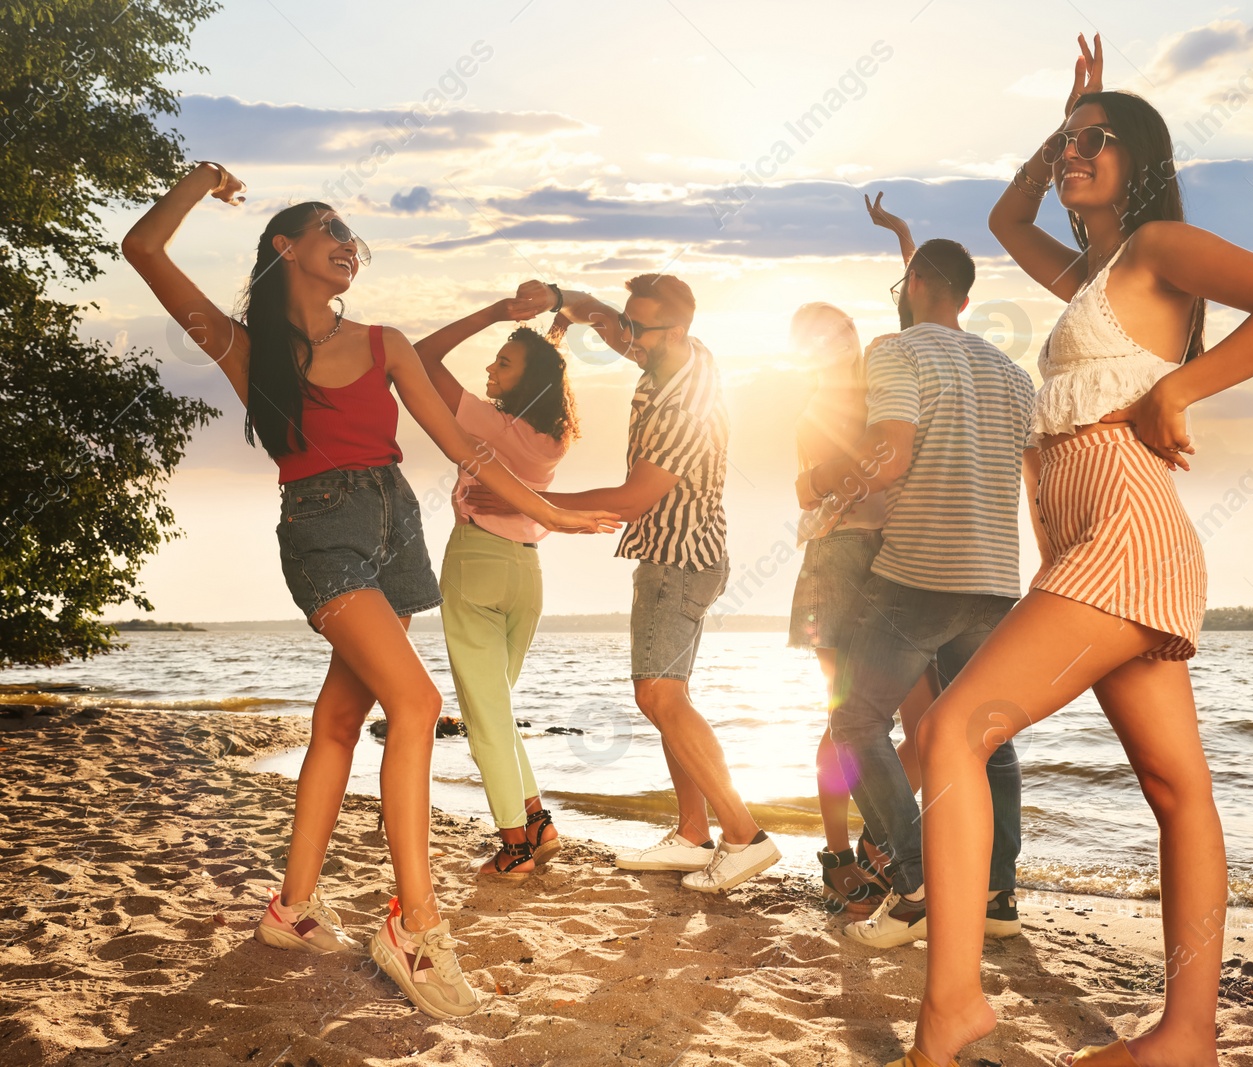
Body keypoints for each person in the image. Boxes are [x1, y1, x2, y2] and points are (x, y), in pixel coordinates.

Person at [896, 36, 1253, 1067]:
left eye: (1097, 144)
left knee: (952, 729)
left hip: (1125, 529)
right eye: (1069, 146)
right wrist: (1065, 116)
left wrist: (1180, 386)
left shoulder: (1156, 248)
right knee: (1177, 791)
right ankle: (1185, 1034)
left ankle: (951, 1005)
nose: (1073, 156)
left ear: (1140, 165)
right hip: (1090, 539)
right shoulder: (1089, 268)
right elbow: (1006, 220)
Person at [120, 163, 618, 1021]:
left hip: (396, 531)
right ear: (285, 247)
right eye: (330, 231)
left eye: (353, 237)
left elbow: (468, 449)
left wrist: (551, 515)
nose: (350, 245)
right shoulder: (247, 348)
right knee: (418, 703)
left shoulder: (386, 342)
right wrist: (201, 182)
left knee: (342, 721)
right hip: (323, 531)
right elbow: (142, 246)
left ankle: (293, 907)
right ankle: (415, 922)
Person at [803, 238, 1036, 954]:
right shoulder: (1013, 374)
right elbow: (1034, 478)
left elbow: (892, 453)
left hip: (918, 573)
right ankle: (997, 895)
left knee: (856, 720)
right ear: (964, 298)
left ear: (914, 285)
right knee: (985, 734)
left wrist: (836, 495)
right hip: (996, 578)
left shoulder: (896, 351)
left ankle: (916, 888)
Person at [523, 273, 782, 893]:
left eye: (641, 329)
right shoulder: (677, 351)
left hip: (680, 557)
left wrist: (527, 498)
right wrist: (561, 302)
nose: (629, 338)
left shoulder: (682, 405)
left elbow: (632, 497)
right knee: (671, 699)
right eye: (631, 324)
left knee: (658, 696)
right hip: (680, 554)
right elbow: (604, 317)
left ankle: (743, 835)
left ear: (679, 328)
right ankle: (693, 835)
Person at [413, 296, 580, 874]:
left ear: (525, 379)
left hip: (478, 561)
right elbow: (545, 372)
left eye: (502, 364)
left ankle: (515, 845)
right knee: (498, 708)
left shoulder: (487, 422)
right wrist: (551, 331)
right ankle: (537, 818)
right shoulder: (553, 441)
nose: (489, 370)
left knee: (485, 716)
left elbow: (421, 357)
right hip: (527, 573)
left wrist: (497, 313)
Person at [787, 300, 938, 916]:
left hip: (900, 558)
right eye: (817, 338)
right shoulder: (817, 413)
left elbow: (919, 330)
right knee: (846, 716)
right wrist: (827, 475)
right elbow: (854, 475)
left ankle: (881, 838)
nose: (836, 343)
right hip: (841, 559)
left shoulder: (888, 388)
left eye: (842, 331)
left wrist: (906, 245)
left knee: (929, 721)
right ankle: (838, 855)